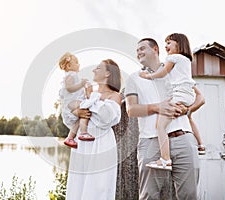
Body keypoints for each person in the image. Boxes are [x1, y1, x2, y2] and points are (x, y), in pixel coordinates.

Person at [125, 37, 205, 199]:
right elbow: (131, 110)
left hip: (183, 138)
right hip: (151, 142)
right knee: (150, 195)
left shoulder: (175, 69)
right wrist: (157, 107)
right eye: (137, 50)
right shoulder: (134, 78)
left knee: (189, 194)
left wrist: (187, 111)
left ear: (155, 50)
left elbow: (200, 98)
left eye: (142, 48)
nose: (138, 52)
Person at [139, 33, 205, 170]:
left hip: (179, 99)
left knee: (160, 126)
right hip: (185, 96)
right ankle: (201, 145)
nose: (166, 46)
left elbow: (201, 98)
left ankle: (165, 159)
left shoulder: (173, 60)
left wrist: (148, 76)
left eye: (169, 43)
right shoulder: (184, 63)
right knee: (188, 118)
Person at [64, 59, 122, 200]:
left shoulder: (115, 96)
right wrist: (77, 112)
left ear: (108, 73)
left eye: (98, 68)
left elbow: (106, 118)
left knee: (98, 188)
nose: (93, 70)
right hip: (81, 144)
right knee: (78, 186)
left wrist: (91, 97)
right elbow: (69, 119)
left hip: (100, 144)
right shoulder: (85, 94)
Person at [58, 52, 96, 149]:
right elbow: (70, 88)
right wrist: (81, 84)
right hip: (71, 103)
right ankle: (83, 132)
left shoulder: (74, 76)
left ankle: (70, 137)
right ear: (69, 66)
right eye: (76, 62)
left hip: (72, 103)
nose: (79, 64)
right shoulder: (70, 75)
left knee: (80, 118)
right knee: (86, 107)